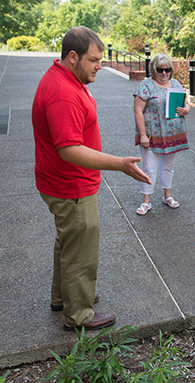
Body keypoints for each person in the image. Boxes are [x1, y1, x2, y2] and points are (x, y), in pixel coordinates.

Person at [32, 26, 151, 331]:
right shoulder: (63, 93)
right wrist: (119, 164)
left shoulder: (64, 77)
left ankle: (64, 297)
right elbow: (69, 150)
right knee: (81, 252)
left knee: (69, 242)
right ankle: (79, 314)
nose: (100, 65)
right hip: (70, 185)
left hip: (62, 183)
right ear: (73, 57)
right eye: (94, 59)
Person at [134, 54, 190, 215]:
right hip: (152, 135)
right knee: (149, 168)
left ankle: (167, 196)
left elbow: (186, 105)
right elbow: (138, 111)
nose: (164, 73)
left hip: (172, 135)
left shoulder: (176, 84)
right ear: (154, 70)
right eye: (160, 70)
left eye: (167, 70)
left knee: (168, 167)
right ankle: (146, 201)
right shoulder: (145, 85)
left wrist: (185, 110)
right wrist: (143, 135)